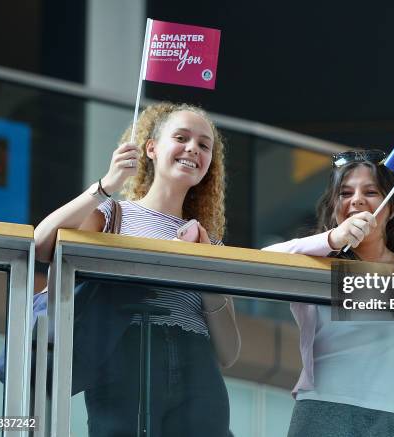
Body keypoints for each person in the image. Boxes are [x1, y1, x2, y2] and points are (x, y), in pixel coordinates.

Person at [34, 102, 240, 436]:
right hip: (126, 352)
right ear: (152, 148)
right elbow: (43, 244)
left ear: (208, 165)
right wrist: (106, 184)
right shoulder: (115, 214)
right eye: (182, 137)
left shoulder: (208, 240)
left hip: (197, 363)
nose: (193, 149)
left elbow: (229, 352)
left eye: (204, 145)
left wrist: (203, 268)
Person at [264, 150, 394, 437]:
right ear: (335, 207)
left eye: (371, 192)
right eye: (344, 193)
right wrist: (330, 239)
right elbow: (261, 264)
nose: (357, 200)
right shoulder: (320, 260)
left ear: (392, 208)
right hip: (328, 409)